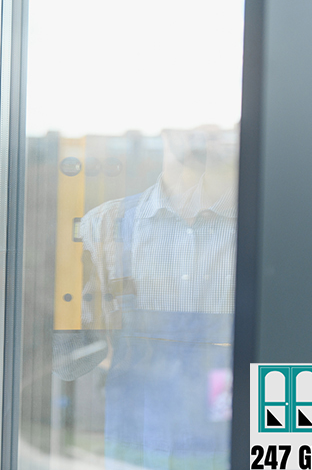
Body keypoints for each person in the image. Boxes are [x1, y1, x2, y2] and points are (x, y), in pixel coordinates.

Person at [54, 126, 238, 469]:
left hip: (225, 444)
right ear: (164, 129)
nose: (202, 135)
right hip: (135, 445)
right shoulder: (105, 227)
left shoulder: (257, 230)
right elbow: (68, 362)